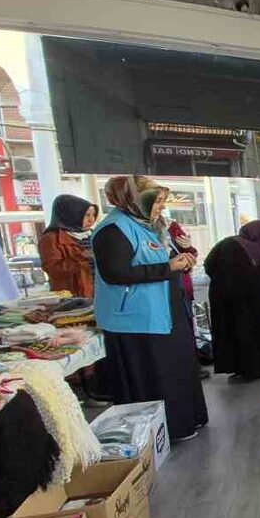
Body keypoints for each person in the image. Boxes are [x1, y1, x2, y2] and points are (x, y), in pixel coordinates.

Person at [92, 175, 209, 441]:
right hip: (136, 321)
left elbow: (161, 259)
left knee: (178, 369)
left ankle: (186, 422)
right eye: (156, 201)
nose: (161, 207)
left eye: (162, 201)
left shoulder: (148, 226)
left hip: (165, 313)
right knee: (156, 376)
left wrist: (182, 260)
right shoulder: (113, 230)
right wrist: (168, 268)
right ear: (133, 199)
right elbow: (115, 273)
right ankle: (161, 434)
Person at [204, 220, 260, 380]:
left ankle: (236, 367)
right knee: (256, 333)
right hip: (256, 302)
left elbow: (208, 265)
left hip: (223, 300)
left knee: (229, 331)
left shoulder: (225, 244)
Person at [38, 195, 98, 298]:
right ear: (72, 214)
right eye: (86, 215)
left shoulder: (93, 234)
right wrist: (80, 257)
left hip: (99, 292)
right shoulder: (52, 239)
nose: (91, 220)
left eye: (93, 215)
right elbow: (53, 270)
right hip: (73, 296)